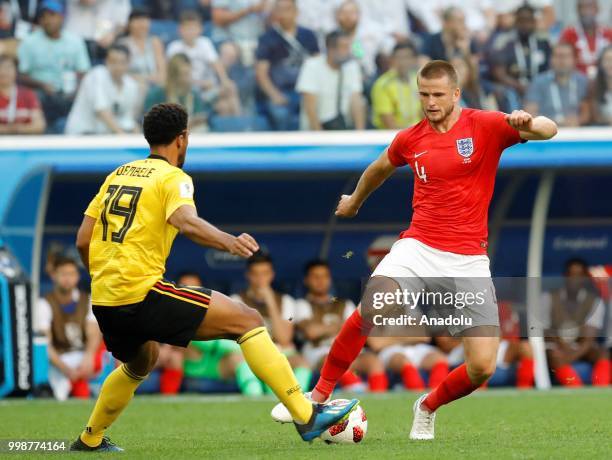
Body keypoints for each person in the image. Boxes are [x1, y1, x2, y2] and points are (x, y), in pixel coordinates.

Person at [274, 60, 557, 440]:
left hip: (468, 259)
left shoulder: (485, 125)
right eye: (424, 94)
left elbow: (549, 130)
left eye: (438, 94)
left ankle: (427, 405)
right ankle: (317, 395)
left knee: (482, 367)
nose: (430, 102)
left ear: (456, 94)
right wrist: (355, 201)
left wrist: (528, 122)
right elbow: (378, 168)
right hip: (418, 245)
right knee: (373, 305)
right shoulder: (411, 138)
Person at [70, 102, 357, 451]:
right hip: (140, 292)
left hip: (105, 298)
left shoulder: (117, 175)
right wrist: (229, 241)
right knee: (247, 320)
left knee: (141, 361)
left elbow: (83, 239)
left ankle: (90, 438)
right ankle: (306, 415)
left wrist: (102, 277)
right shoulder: (173, 177)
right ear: (182, 138)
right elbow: (185, 221)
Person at [294, 259, 388, 392]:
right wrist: (341, 325)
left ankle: (379, 397)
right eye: (315, 277)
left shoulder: (345, 304)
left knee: (373, 361)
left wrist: (326, 328)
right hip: (318, 351)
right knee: (330, 359)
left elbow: (356, 330)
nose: (320, 281)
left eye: (324, 276)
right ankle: (358, 389)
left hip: (345, 349)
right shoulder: (301, 304)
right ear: (306, 280)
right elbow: (311, 332)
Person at [231, 253, 312, 393]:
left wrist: (271, 302)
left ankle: (298, 399)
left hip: (280, 351)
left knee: (302, 362)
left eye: (265, 274)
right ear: (248, 275)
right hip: (249, 353)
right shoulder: (236, 300)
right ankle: (254, 398)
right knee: (240, 360)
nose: (260, 279)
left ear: (272, 275)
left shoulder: (286, 301)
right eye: (256, 274)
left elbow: (284, 338)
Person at [179, 271, 263, 396]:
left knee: (239, 358)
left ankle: (259, 399)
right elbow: (215, 344)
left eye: (196, 289)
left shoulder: (207, 311)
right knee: (253, 355)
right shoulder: (177, 316)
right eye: (186, 288)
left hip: (213, 364)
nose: (191, 293)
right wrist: (260, 348)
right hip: (193, 373)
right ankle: (257, 399)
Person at [17, 0, 91, 132]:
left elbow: (84, 72)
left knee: (86, 95)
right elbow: (21, 75)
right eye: (43, 16)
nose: (47, 20)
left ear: (61, 17)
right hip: (40, 92)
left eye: (52, 15)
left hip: (69, 93)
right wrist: (42, 85)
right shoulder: (29, 41)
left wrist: (76, 91)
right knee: (32, 97)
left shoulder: (75, 41)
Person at [35, 256, 102, 401]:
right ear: (54, 276)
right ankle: (78, 391)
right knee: (59, 396)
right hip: (59, 359)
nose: (67, 279)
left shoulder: (87, 300)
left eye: (71, 274)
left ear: (77, 277)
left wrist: (89, 356)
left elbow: (94, 333)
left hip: (83, 357)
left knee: (102, 353)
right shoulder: (44, 303)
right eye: (63, 274)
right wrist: (65, 368)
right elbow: (45, 344)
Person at [543, 258, 610, 387]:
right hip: (557, 345)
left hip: (581, 347)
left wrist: (571, 356)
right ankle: (576, 391)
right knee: (554, 355)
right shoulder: (549, 297)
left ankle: (600, 391)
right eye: (571, 274)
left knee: (602, 353)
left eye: (579, 275)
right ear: (565, 276)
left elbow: (589, 339)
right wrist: (564, 347)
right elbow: (544, 330)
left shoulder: (594, 301)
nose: (574, 279)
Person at [255, 0, 318, 131]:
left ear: (296, 12)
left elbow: (318, 65)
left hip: (307, 90)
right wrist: (274, 94)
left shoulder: (309, 35)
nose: (283, 14)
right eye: (279, 10)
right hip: (281, 90)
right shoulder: (267, 38)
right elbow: (261, 72)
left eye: (287, 9)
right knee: (281, 114)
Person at [167, 10, 241, 117]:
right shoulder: (174, 47)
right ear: (180, 30)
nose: (191, 31)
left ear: (200, 29)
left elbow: (216, 64)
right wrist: (201, 83)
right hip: (188, 91)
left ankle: (240, 125)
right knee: (223, 106)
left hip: (208, 90)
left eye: (194, 28)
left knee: (230, 91)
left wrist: (225, 80)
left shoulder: (205, 43)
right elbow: (174, 77)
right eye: (187, 28)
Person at [296, 30, 365, 130]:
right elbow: (309, 107)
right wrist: (321, 137)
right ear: (331, 49)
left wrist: (360, 135)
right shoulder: (312, 65)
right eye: (344, 47)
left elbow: (356, 100)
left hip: (343, 129)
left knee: (363, 102)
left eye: (349, 47)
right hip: (315, 132)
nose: (349, 51)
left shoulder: (352, 66)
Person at [65, 44, 139, 134]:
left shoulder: (131, 85)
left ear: (128, 63)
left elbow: (127, 119)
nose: (117, 66)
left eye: (122, 62)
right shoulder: (96, 75)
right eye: (113, 62)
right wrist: (122, 134)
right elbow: (101, 110)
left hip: (107, 136)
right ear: (106, 61)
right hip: (82, 133)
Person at [490, 5, 551, 102]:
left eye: (528, 21)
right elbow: (499, 73)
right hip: (514, 89)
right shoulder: (504, 42)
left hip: (541, 88)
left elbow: (550, 69)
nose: (525, 25)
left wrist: (538, 86)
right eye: (521, 21)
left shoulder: (543, 42)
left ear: (534, 22)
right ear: (516, 22)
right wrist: (518, 86)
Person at [524, 43, 590, 127]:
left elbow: (587, 113)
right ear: (551, 59)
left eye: (566, 56)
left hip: (576, 132)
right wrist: (555, 123)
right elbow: (530, 113)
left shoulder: (582, 81)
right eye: (558, 56)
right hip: (545, 132)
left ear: (574, 59)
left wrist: (578, 120)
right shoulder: (539, 82)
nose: (562, 60)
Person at [144, 54, 207, 131]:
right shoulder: (157, 94)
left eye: (189, 73)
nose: (189, 78)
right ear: (174, 75)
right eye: (185, 74)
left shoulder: (194, 94)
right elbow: (150, 122)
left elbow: (199, 116)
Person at [371, 41, 422, 129]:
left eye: (407, 57)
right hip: (391, 137)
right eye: (398, 58)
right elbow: (389, 124)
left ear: (414, 60)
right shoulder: (383, 85)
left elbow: (426, 116)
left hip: (418, 135)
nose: (402, 62)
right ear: (392, 60)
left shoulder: (420, 82)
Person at [559, 0, 612, 78]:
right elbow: (561, 61)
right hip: (577, 82)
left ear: (597, 9)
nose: (586, 12)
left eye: (590, 6)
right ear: (577, 10)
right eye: (582, 7)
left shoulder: (608, 33)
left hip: (604, 82)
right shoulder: (568, 34)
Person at [63, 0, 131, 62]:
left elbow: (123, 22)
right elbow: (88, 1)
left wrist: (113, 34)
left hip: (102, 42)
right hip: (77, 38)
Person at [211, 0, 271, 66]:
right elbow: (218, 19)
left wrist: (267, 11)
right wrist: (248, 10)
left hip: (259, 39)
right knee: (229, 51)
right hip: (230, 39)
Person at [117, 8, 166, 88]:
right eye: (137, 20)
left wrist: (154, 79)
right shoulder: (123, 44)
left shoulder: (155, 42)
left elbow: (162, 71)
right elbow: (122, 73)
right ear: (129, 24)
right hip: (132, 85)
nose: (142, 24)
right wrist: (143, 80)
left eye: (145, 20)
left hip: (155, 84)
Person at [0, 54, 45, 133]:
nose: (4, 72)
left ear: (16, 71)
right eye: (1, 67)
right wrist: (7, 130)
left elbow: (39, 125)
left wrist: (18, 129)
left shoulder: (28, 94)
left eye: (8, 67)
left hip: (24, 142)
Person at [590, 45, 612, 125]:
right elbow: (594, 117)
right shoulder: (594, 87)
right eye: (607, 60)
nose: (610, 63)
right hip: (603, 132)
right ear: (601, 63)